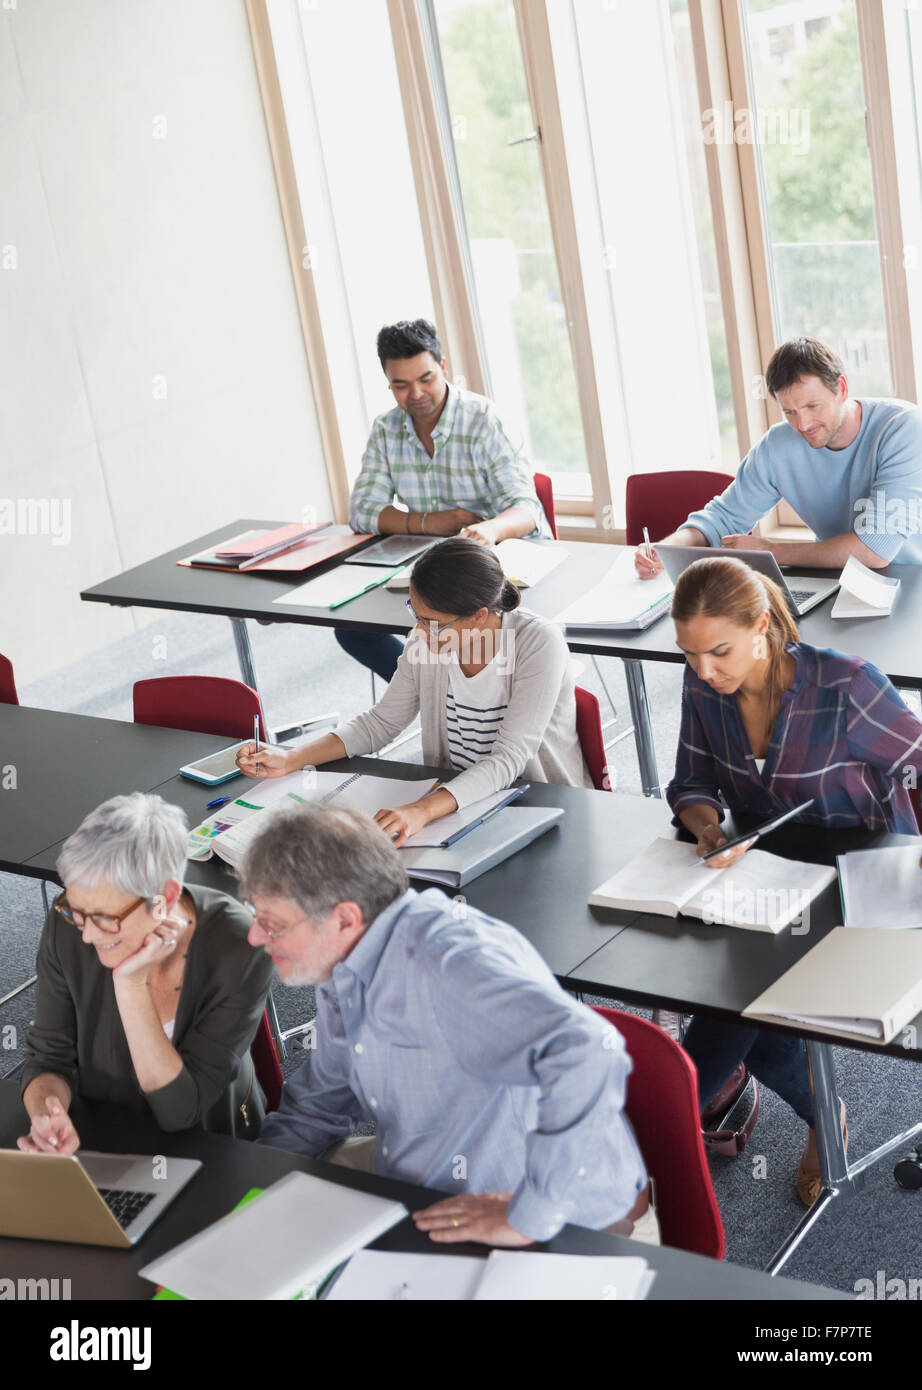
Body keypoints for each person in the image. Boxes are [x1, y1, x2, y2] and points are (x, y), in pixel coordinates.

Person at [245, 800, 655, 1246]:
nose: (254, 937)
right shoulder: (342, 960)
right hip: (430, 1187)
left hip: (562, 1226)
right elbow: (321, 1104)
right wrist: (245, 1189)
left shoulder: (450, 963)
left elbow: (590, 1050)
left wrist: (528, 1216)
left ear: (344, 918)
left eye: (272, 924)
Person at [665, 554, 922, 1202]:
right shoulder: (705, 688)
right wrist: (706, 827)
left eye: (718, 651)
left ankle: (661, 1123)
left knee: (730, 1024)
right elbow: (690, 782)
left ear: (762, 626)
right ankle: (819, 1114)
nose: (703, 671)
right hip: (762, 870)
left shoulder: (846, 686)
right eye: (690, 655)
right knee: (749, 1009)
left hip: (855, 870)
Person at [238, 538, 593, 845]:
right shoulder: (427, 642)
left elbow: (508, 758)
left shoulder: (537, 642)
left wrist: (422, 810)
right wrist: (291, 758)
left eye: (431, 622)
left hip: (537, 803)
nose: (419, 631)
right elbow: (378, 724)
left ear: (479, 616)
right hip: (458, 801)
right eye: (416, 614)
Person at [18, 794, 275, 1154]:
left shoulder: (241, 947)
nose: (88, 934)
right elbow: (48, 1059)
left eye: (106, 917)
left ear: (165, 898)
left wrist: (130, 983)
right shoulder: (68, 927)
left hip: (208, 1151)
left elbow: (180, 1112)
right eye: (76, 909)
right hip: (101, 1134)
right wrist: (47, 1115)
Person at [338, 318, 551, 680]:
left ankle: (450, 692)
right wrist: (431, 522)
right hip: (430, 570)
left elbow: (527, 510)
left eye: (426, 379)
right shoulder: (386, 429)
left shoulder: (484, 420)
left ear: (443, 367)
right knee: (352, 627)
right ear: (388, 384)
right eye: (401, 386)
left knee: (470, 634)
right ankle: (430, 689)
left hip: (494, 567)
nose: (416, 394)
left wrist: (489, 530)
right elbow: (362, 512)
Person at [636, 336, 922, 580]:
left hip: (911, 582)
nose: (803, 424)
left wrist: (771, 551)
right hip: (841, 582)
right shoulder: (779, 445)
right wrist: (664, 550)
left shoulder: (903, 428)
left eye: (813, 405)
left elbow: (876, 549)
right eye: (790, 411)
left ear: (842, 389)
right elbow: (722, 518)